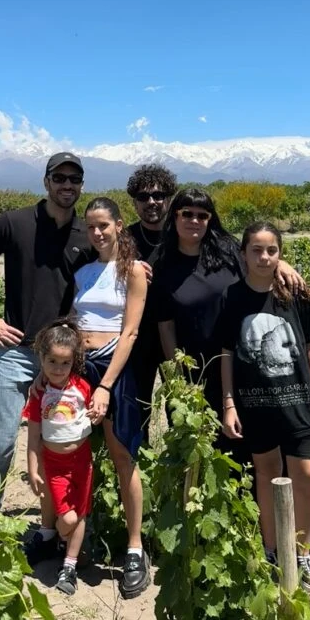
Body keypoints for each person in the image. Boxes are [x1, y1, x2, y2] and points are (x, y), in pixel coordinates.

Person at [0, 151, 96, 566]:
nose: (67, 185)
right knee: (0, 440)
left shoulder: (85, 234)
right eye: (60, 177)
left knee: (68, 443)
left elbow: (115, 267)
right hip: (17, 352)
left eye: (74, 179)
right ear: (46, 181)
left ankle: (57, 529)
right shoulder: (14, 223)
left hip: (62, 359)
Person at [219, 221, 310, 586]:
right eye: (256, 250)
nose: (264, 257)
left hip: (297, 400)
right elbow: (226, 354)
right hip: (255, 403)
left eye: (272, 250)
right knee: (266, 474)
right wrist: (229, 404)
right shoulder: (231, 298)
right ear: (243, 255)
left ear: (280, 254)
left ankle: (302, 554)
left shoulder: (295, 294)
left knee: (306, 476)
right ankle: (272, 552)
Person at [154, 187, 304, 460]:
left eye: (203, 215)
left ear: (211, 219)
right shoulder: (163, 265)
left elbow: (261, 259)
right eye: (187, 213)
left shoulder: (227, 251)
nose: (194, 220)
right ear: (174, 217)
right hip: (194, 376)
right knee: (197, 452)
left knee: (244, 447)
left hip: (239, 366)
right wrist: (176, 379)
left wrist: (281, 264)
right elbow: (165, 327)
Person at [71, 196, 150, 597]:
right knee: (74, 454)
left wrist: (105, 386)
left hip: (114, 372)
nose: (98, 232)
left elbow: (131, 332)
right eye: (91, 227)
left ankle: (134, 548)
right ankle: (75, 540)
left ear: (120, 225)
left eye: (104, 224)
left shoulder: (134, 271)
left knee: (122, 456)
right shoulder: (83, 272)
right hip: (81, 369)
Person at [24, 321, 93, 595]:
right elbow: (33, 436)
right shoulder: (38, 393)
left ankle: (70, 565)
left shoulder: (82, 388)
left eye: (64, 363)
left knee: (81, 512)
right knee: (67, 518)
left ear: (73, 362)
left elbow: (92, 412)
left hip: (82, 461)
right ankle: (65, 541)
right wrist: (32, 468)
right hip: (54, 465)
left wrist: (96, 413)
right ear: (40, 357)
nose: (57, 368)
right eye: (51, 360)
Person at [125, 164, 178, 437]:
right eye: (143, 197)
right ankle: (138, 472)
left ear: (169, 198)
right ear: (134, 202)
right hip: (138, 340)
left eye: (158, 195)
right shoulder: (124, 240)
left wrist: (279, 266)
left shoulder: (184, 233)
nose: (152, 202)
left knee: (180, 408)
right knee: (138, 411)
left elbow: (233, 251)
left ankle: (182, 475)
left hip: (179, 338)